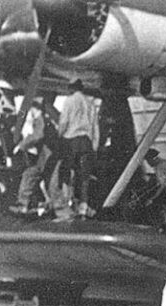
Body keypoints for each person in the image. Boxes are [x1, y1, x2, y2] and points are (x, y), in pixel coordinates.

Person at [55, 79, 99, 219]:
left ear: (71, 88)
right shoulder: (90, 103)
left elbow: (63, 122)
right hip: (86, 141)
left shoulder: (69, 101)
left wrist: (59, 136)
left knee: (67, 173)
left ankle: (67, 204)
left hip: (71, 141)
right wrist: (94, 146)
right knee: (84, 177)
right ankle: (83, 207)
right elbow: (94, 126)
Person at [9, 99, 57, 214]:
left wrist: (21, 146)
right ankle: (49, 206)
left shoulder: (40, 119)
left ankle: (22, 206)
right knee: (48, 182)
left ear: (34, 109)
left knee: (29, 175)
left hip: (46, 156)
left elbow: (38, 135)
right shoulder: (48, 119)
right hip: (51, 155)